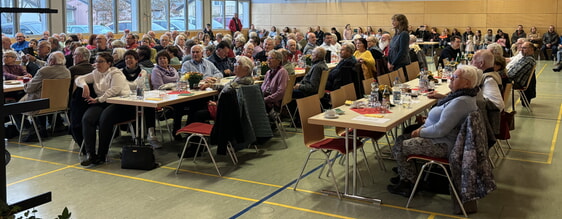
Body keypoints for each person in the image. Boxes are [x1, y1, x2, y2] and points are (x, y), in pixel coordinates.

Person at [387, 65, 480, 197]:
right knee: (404, 136)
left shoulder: (461, 102)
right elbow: (448, 117)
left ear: (467, 82)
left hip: (443, 144)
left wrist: (419, 132)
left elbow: (440, 130)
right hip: (446, 138)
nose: (451, 79)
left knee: (400, 146)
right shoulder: (464, 96)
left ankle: (408, 184)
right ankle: (407, 173)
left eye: (455, 77)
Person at [75, 52, 134, 166]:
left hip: (120, 102)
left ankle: (102, 154)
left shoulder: (116, 73)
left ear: (109, 63)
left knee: (104, 120)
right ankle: (91, 154)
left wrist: (98, 99)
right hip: (102, 102)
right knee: (87, 119)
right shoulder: (95, 73)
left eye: (101, 61)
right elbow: (79, 79)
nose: (97, 64)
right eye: (96, 61)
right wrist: (85, 85)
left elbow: (115, 90)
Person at [20, 52, 71, 141]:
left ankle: (30, 128)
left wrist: (25, 84)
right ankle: (38, 127)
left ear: (51, 61)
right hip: (59, 103)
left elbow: (29, 89)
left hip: (41, 104)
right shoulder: (67, 71)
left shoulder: (44, 71)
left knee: (16, 105)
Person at [507, 42, 536, 106]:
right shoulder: (525, 58)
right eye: (521, 48)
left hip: (516, 82)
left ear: (531, 49)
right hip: (515, 80)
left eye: (524, 48)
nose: (521, 50)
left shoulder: (528, 60)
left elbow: (511, 74)